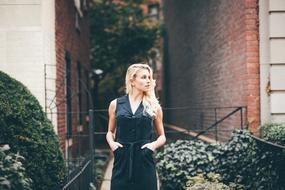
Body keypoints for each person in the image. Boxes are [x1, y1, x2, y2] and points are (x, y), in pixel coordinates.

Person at [106, 63, 166, 190]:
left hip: (144, 161)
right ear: (132, 81)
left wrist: (153, 145)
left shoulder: (154, 106)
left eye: (149, 77)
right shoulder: (115, 104)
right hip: (122, 161)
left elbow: (162, 136)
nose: (148, 81)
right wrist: (112, 144)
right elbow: (110, 132)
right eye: (144, 77)